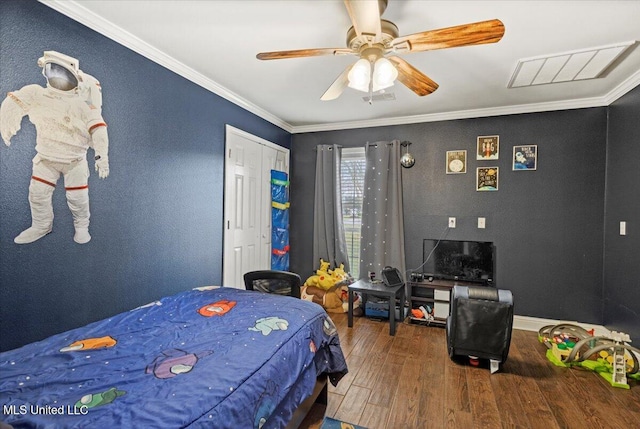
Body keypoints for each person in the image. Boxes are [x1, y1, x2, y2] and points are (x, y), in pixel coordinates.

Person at [0, 51, 109, 244]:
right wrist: (8, 121)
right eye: (53, 70)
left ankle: (81, 227)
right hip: (46, 157)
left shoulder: (83, 103)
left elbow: (98, 130)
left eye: (63, 73)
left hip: (74, 160)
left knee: (77, 197)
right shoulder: (37, 94)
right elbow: (15, 102)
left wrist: (101, 156)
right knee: (37, 194)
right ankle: (41, 226)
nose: (58, 77)